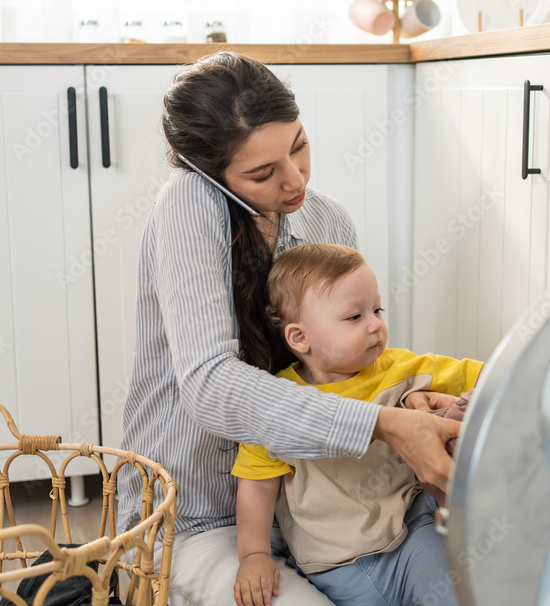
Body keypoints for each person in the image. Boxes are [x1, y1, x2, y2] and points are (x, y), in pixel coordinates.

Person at [117, 51, 463, 606]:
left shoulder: (327, 221)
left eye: (299, 145)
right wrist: (381, 422)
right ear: (211, 175)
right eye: (261, 173)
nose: (295, 179)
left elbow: (349, 358)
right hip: (203, 512)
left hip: (321, 516)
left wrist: (415, 405)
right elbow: (209, 386)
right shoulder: (186, 203)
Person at [231, 243, 481, 606]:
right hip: (338, 561)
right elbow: (257, 485)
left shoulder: (400, 367)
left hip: (412, 529)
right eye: (355, 317)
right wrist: (253, 555)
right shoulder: (280, 400)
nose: (376, 325)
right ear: (300, 337)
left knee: (453, 591)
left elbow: (484, 373)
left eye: (377, 310)